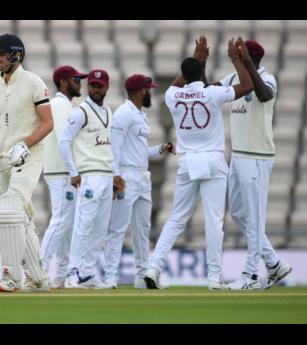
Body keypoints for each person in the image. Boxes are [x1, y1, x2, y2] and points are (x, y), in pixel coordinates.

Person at [144, 37, 254, 290]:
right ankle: (214, 278)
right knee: (213, 221)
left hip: (188, 162)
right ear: (202, 72)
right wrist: (237, 59)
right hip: (213, 161)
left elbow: (178, 82)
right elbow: (247, 85)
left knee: (175, 219)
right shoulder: (212, 93)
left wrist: (197, 59)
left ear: (182, 73)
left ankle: (154, 267)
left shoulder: (172, 95)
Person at [0, 33, 54, 293]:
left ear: (15, 55)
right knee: (21, 216)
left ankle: (11, 277)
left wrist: (25, 144)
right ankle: (40, 279)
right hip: (6, 159)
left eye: (0, 55)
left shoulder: (33, 82)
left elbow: (47, 123)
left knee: (9, 209)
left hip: (30, 156)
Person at [215, 39, 292, 290]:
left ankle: (249, 275)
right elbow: (211, 89)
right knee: (238, 212)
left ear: (252, 57)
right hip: (238, 156)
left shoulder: (267, 79)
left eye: (240, 55)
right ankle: (274, 263)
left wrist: (245, 62)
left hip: (258, 156)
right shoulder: (232, 78)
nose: (234, 59)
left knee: (256, 219)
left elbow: (264, 95)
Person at [102, 74, 175, 289]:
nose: (150, 92)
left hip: (142, 176)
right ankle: (110, 276)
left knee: (142, 228)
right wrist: (116, 176)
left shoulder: (140, 115)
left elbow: (140, 153)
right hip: (126, 176)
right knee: (118, 228)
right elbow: (114, 146)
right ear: (140, 91)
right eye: (148, 89)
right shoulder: (124, 113)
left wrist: (160, 149)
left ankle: (143, 276)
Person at [58, 69, 114, 289]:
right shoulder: (80, 111)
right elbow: (64, 141)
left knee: (100, 228)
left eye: (99, 86)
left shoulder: (109, 111)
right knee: (83, 225)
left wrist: (115, 175)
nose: (95, 89)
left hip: (106, 175)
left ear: (107, 87)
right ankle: (73, 273)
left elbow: (111, 146)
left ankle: (88, 273)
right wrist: (73, 172)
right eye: (92, 85)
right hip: (89, 176)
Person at [40, 66, 88, 289]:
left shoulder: (66, 105)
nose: (80, 83)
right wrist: (73, 170)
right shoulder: (59, 105)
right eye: (76, 79)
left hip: (63, 170)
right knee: (60, 220)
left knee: (65, 225)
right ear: (63, 82)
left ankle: (59, 276)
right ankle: (36, 271)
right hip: (61, 171)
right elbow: (63, 139)